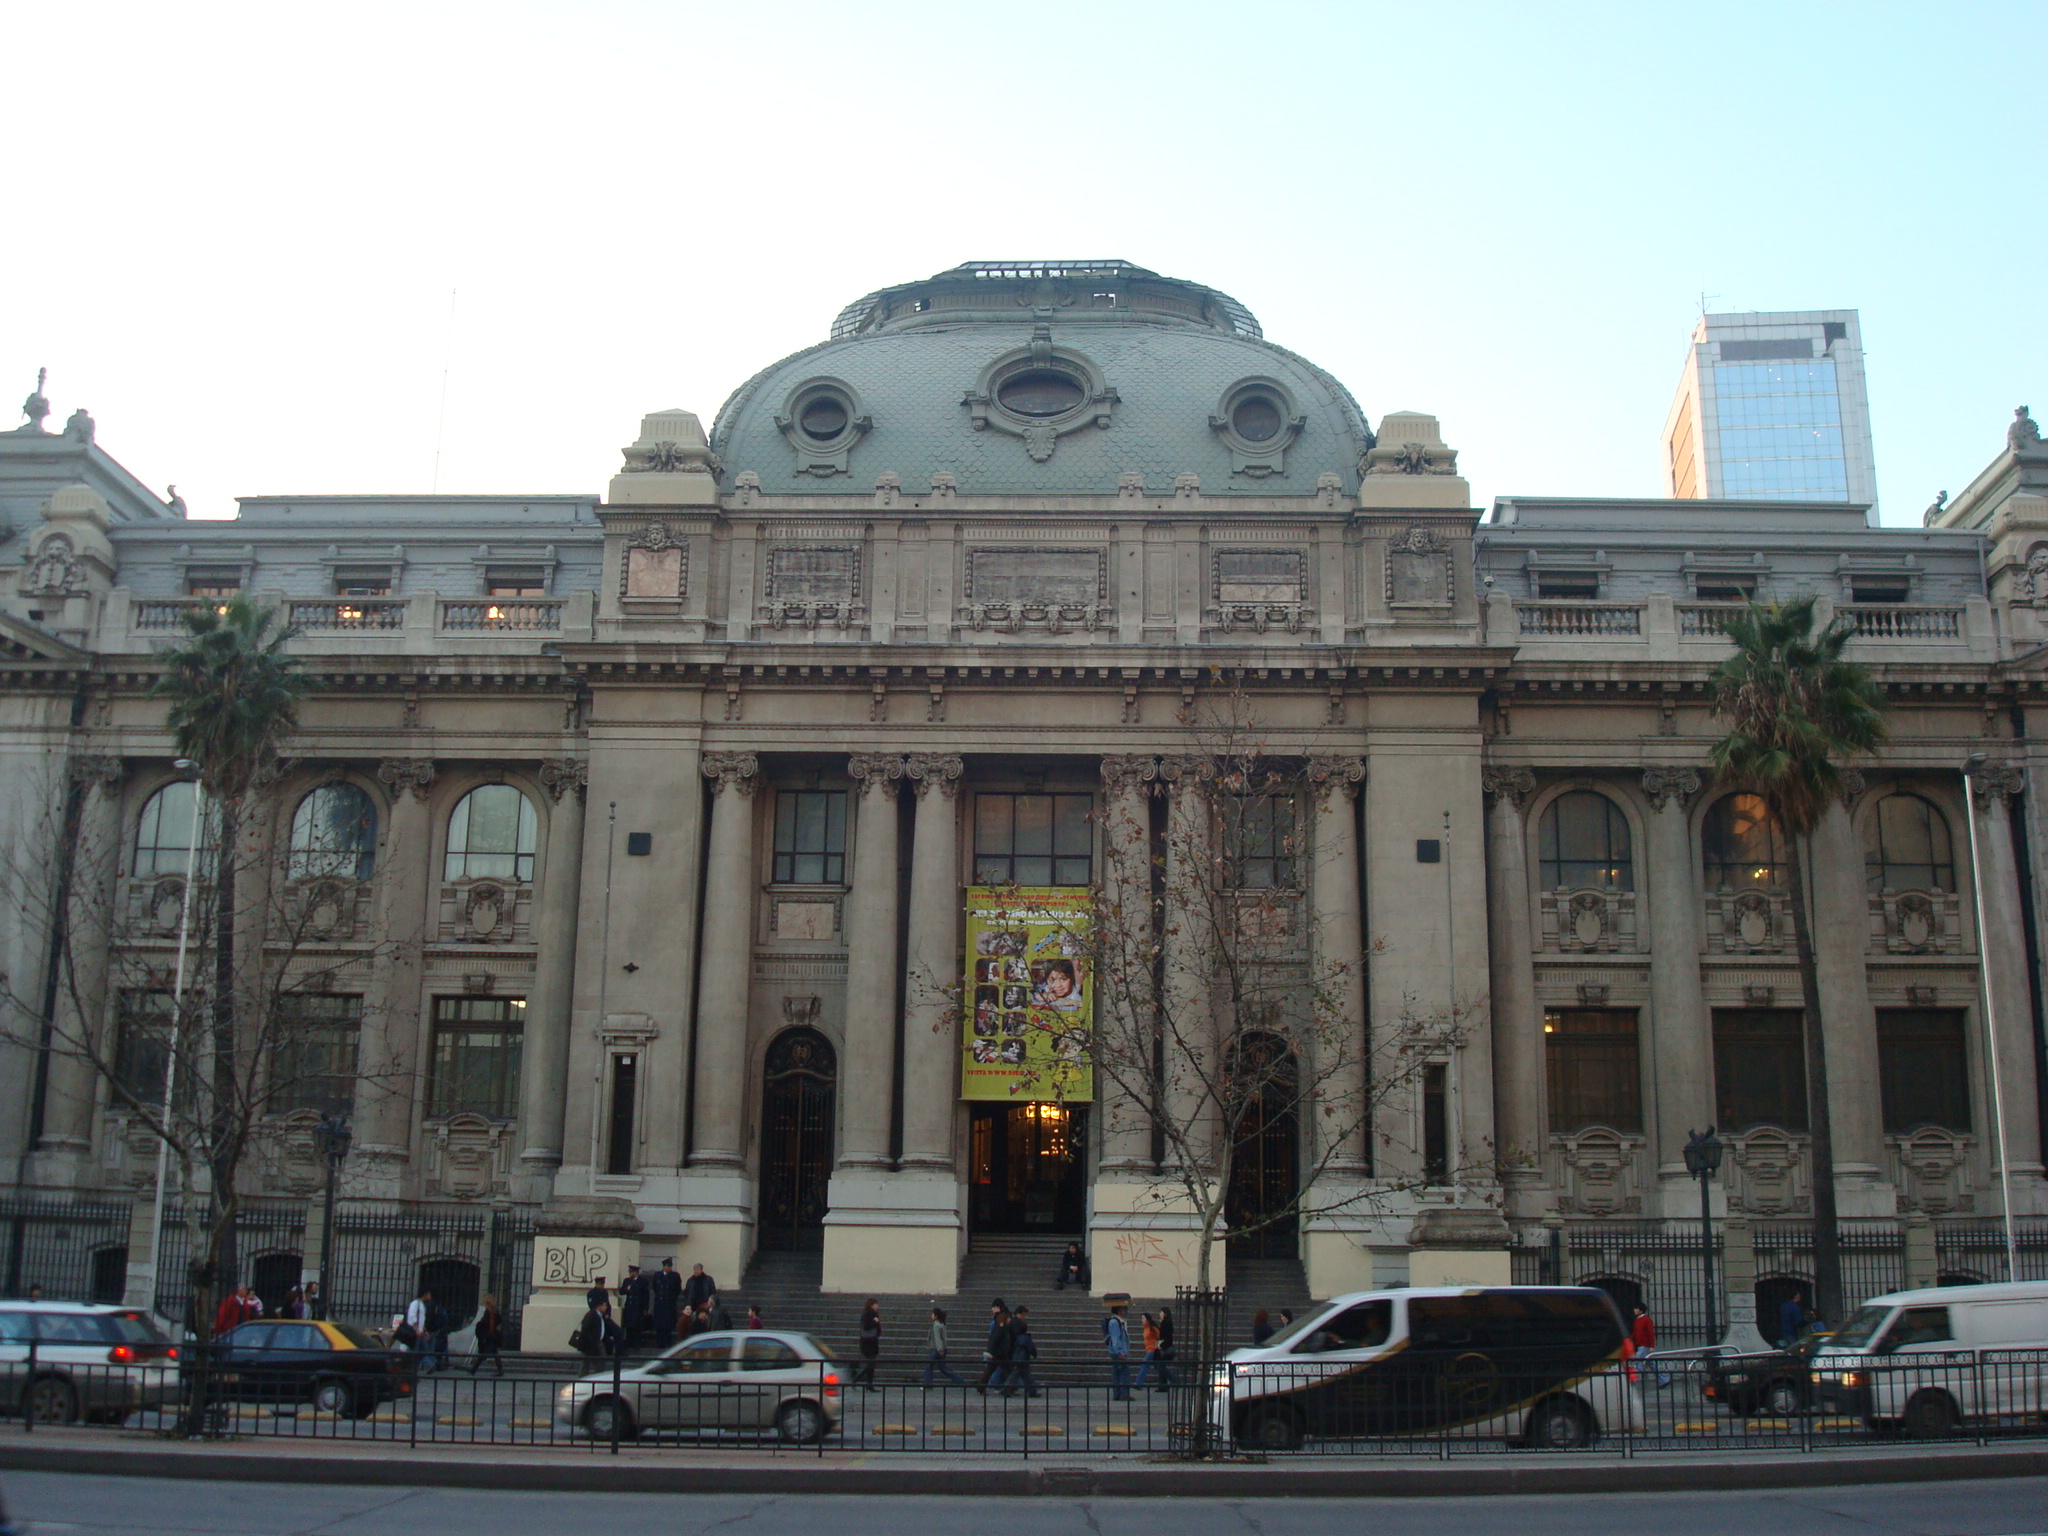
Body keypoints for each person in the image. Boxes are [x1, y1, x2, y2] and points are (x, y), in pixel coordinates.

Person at [1002, 1306, 1042, 1397]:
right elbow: (1028, 1345)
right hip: (1021, 1354)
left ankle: (1031, 1390)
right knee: (1018, 1372)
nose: (1025, 1317)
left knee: (1025, 1373)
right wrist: (1033, 1352)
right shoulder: (1021, 1333)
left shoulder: (1013, 1324)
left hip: (1017, 1353)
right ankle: (1006, 1388)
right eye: (1024, 1314)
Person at [923, 1305, 964, 1388]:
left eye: (932, 1314)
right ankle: (959, 1381)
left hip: (936, 1349)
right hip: (942, 1349)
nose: (931, 1316)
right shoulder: (942, 1324)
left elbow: (938, 1339)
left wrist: (940, 1349)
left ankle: (928, 1384)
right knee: (942, 1367)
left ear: (936, 1316)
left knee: (929, 1366)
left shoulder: (936, 1325)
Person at [978, 1300, 1013, 1394]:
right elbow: (995, 1340)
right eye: (1008, 1318)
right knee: (1007, 1371)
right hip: (1000, 1353)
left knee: (990, 1370)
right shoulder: (1001, 1328)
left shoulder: (1000, 1326)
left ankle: (981, 1386)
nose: (1010, 1320)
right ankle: (1009, 1389)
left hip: (998, 1352)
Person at [1134, 1311, 1172, 1391]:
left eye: (1143, 1318)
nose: (1142, 1320)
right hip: (1149, 1349)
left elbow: (1159, 1336)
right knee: (1158, 1367)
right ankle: (1171, 1381)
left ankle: (1138, 1383)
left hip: (1152, 1349)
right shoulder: (1146, 1328)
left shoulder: (1152, 1328)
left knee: (1145, 1365)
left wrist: (1158, 1344)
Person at [469, 1293, 504, 1375]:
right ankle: (500, 1371)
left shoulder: (488, 1312)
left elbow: (487, 1323)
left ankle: (473, 1369)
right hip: (492, 1335)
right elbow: (499, 1320)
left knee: (485, 1353)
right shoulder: (494, 1310)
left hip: (489, 1335)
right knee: (494, 1353)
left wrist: (482, 1327)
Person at [1104, 1300, 1132, 1401]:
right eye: (1123, 1308)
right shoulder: (1115, 1322)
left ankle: (1117, 1393)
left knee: (1116, 1371)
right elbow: (1115, 1338)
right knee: (1125, 1371)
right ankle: (1124, 1394)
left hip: (1115, 1351)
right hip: (1118, 1351)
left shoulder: (1118, 1321)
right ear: (1119, 1310)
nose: (1125, 1310)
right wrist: (1120, 1352)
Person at [651, 1258, 682, 1345]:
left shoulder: (675, 1276)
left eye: (670, 1266)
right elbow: (655, 1288)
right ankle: (659, 1342)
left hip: (669, 1304)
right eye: (667, 1266)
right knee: (659, 1324)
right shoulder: (657, 1275)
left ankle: (667, 1341)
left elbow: (677, 1289)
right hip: (660, 1304)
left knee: (668, 1324)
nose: (669, 1268)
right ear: (664, 1266)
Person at [853, 1299, 881, 1391]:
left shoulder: (874, 1313)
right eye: (876, 1304)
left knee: (871, 1364)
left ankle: (864, 1381)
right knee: (871, 1364)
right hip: (867, 1343)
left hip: (872, 1341)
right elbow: (866, 1326)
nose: (877, 1306)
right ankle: (863, 1381)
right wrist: (875, 1322)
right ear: (872, 1305)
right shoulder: (867, 1313)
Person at [620, 1264, 647, 1346]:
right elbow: (622, 1292)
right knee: (629, 1326)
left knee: (637, 1326)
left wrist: (645, 1308)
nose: (631, 1274)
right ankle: (629, 1341)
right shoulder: (627, 1281)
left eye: (632, 1272)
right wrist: (627, 1289)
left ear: (636, 1272)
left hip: (638, 1306)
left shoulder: (642, 1281)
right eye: (630, 1272)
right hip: (629, 1306)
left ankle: (637, 1342)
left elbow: (645, 1295)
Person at [401, 1287, 431, 1356]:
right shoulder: (415, 1303)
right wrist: (416, 1329)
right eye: (428, 1294)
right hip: (415, 1332)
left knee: (423, 1351)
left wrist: (424, 1330)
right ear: (425, 1294)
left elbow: (421, 1319)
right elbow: (412, 1316)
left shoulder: (421, 1304)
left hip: (420, 1332)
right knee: (417, 1351)